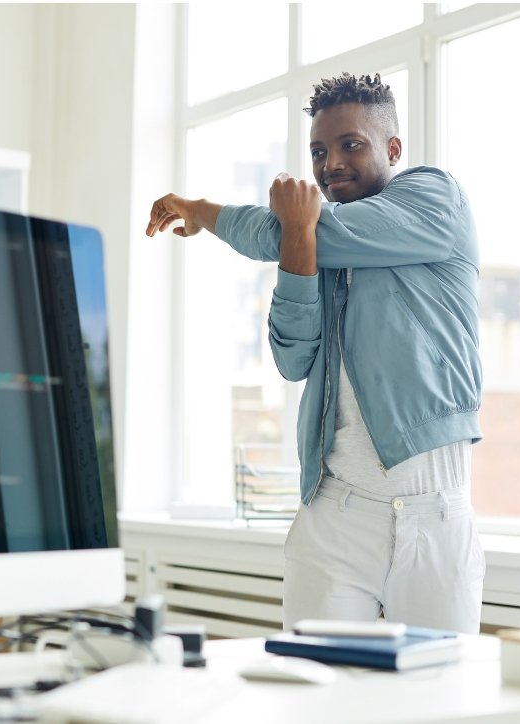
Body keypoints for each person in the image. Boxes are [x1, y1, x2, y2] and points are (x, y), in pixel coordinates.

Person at [146, 73, 484, 634]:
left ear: (393, 148)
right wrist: (297, 244)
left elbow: (293, 230)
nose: (332, 164)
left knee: (440, 698)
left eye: (352, 144)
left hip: (436, 514)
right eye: (319, 151)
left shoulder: (435, 199)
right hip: (334, 517)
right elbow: (292, 359)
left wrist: (204, 211)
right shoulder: (313, 243)